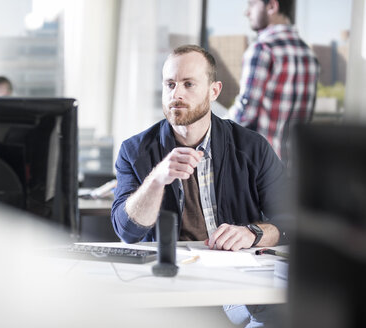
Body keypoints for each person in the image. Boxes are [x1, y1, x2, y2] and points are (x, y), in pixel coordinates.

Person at [111, 44, 288, 326]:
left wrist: (252, 233)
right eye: (170, 84)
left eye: (188, 84)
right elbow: (127, 232)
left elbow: (291, 220)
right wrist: (157, 179)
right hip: (170, 289)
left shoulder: (251, 147)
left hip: (236, 283)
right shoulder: (135, 151)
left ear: (214, 91)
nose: (176, 94)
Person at [227, 0, 319, 165]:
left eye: (252, 5)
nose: (247, 12)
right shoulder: (309, 55)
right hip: (295, 168)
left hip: (262, 168)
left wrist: (212, 127)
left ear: (272, 6)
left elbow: (245, 112)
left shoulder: (262, 49)